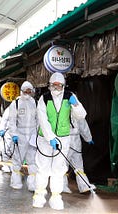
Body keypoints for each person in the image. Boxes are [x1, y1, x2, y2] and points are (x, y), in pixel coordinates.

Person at [33, 72, 87, 210]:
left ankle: (56, 197)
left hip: (63, 138)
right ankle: (39, 196)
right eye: (53, 85)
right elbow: (43, 120)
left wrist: (76, 105)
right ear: (50, 85)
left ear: (63, 85)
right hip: (45, 140)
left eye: (59, 85)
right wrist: (50, 138)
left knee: (58, 169)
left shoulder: (70, 96)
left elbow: (81, 116)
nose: (56, 87)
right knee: (43, 168)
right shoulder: (44, 99)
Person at [4, 81, 38, 191]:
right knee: (17, 160)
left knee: (33, 160)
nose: (27, 93)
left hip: (32, 135)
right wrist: (14, 134)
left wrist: (37, 134)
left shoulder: (35, 103)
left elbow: (38, 120)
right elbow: (12, 121)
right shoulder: (16, 103)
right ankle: (16, 183)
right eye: (25, 91)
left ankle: (32, 184)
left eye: (29, 91)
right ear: (21, 91)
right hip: (20, 135)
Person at [63, 117, 96, 193]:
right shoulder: (73, 108)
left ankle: (83, 186)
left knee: (75, 165)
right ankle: (62, 186)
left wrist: (88, 138)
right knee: (65, 165)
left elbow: (82, 124)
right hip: (67, 139)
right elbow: (83, 125)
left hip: (72, 140)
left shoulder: (76, 109)